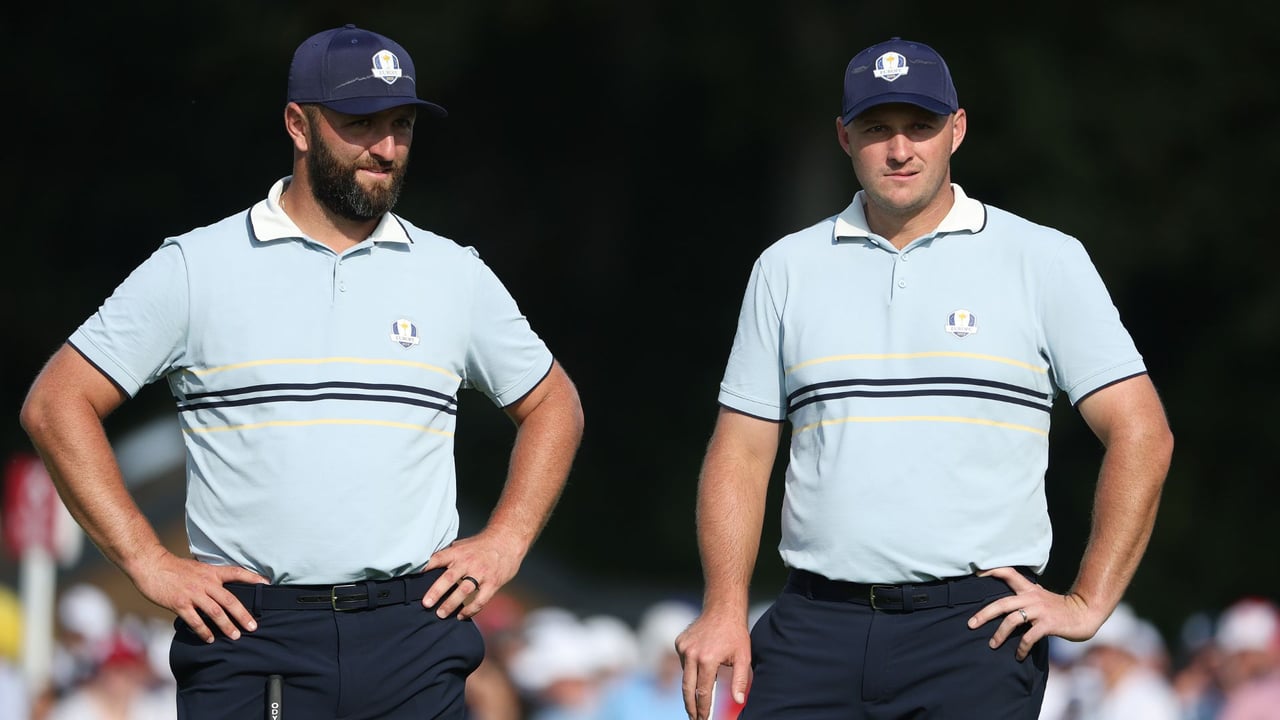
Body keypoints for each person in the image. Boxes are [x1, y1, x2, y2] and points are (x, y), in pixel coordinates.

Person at [20, 23, 584, 720]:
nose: (386, 148)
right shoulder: (198, 268)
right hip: (251, 634)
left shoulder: (454, 274)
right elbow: (57, 404)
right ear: (298, 124)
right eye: (360, 124)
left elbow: (554, 404)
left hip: (414, 630)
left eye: (401, 125)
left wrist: (507, 540)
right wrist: (146, 559)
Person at [675, 37, 1173, 719]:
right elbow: (741, 451)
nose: (900, 150)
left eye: (921, 127)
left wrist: (1089, 602)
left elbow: (1141, 430)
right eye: (878, 130)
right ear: (845, 138)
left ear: (957, 131)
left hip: (975, 632)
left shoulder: (1043, 259)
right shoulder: (786, 268)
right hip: (814, 622)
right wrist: (724, 607)